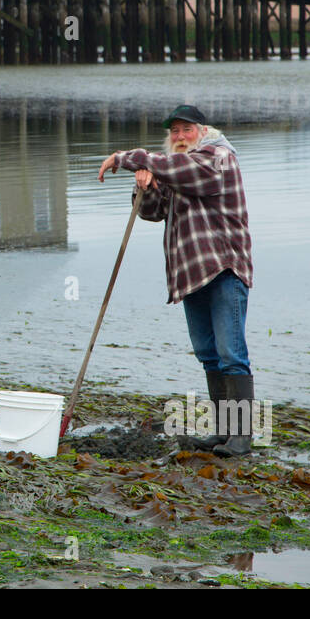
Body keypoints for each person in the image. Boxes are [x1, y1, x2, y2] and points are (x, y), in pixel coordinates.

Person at [97, 104, 255, 456]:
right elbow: (151, 213)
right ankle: (223, 432)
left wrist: (130, 159)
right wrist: (148, 185)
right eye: (174, 132)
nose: (180, 137)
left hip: (224, 270)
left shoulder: (218, 157)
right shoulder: (174, 170)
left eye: (186, 130)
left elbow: (179, 168)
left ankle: (242, 437)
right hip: (190, 276)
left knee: (231, 354)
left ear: (202, 130)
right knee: (209, 355)